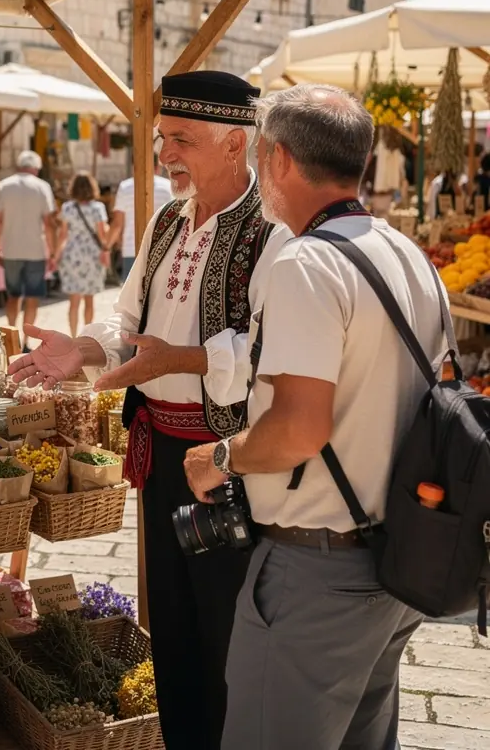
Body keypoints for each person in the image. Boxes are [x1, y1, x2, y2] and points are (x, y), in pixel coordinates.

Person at [8, 71, 290, 750]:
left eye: (181, 140)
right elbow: (127, 318)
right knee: (172, 615)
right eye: (164, 137)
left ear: (234, 144)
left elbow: (270, 347)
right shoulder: (167, 219)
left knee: (226, 618)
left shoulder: (271, 232)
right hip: (163, 455)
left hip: (226, 465)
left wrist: (181, 362)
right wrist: (80, 348)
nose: (166, 153)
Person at [183, 84, 444, 750]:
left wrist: (220, 457)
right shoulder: (408, 254)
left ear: (278, 161)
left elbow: (300, 428)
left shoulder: (308, 262)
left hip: (319, 571)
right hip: (398, 559)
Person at [0, 150, 57, 332]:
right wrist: (52, 252)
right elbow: (49, 223)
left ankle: (12, 335)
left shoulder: (4, 186)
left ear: (19, 166)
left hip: (11, 250)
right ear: (36, 169)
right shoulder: (42, 187)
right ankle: (27, 339)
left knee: (13, 295)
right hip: (35, 250)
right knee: (32, 297)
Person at [56, 171, 110, 336]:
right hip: (92, 256)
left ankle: (73, 336)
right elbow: (102, 235)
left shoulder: (67, 208)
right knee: (89, 300)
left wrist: (55, 255)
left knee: (73, 301)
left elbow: (63, 235)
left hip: (72, 256)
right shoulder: (98, 208)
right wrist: (106, 250)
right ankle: (87, 335)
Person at [111, 159, 173, 282]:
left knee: (131, 298)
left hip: (131, 248)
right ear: (157, 167)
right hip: (163, 249)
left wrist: (110, 245)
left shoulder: (125, 187)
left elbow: (118, 223)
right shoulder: (168, 186)